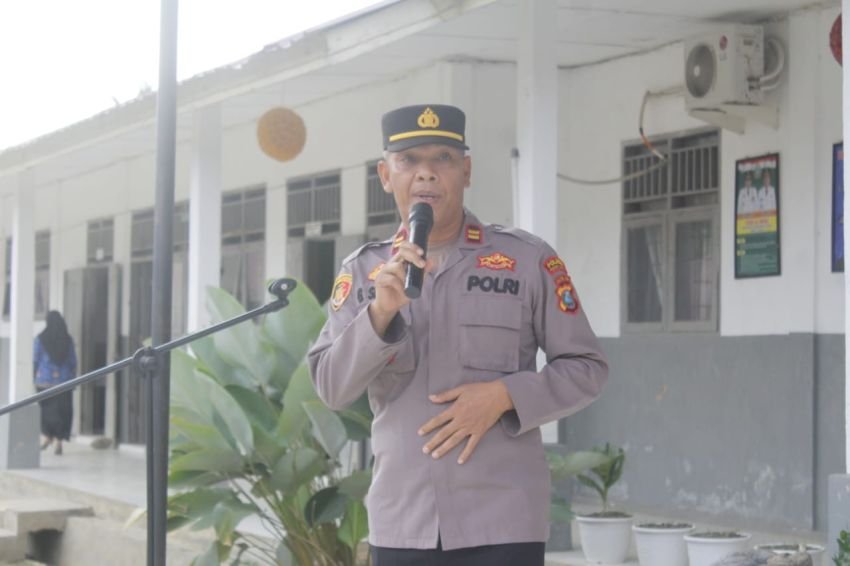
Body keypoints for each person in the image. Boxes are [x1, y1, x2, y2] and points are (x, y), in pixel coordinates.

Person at [307, 104, 608, 566]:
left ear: (466, 171)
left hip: (502, 518)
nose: (426, 175)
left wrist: (505, 395)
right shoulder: (364, 272)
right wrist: (379, 313)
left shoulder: (527, 261)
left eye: (443, 159)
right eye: (409, 161)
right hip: (404, 521)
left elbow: (586, 369)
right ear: (385, 175)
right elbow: (331, 386)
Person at [33, 310, 77, 455]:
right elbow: (72, 361)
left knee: (46, 411)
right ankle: (59, 440)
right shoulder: (67, 339)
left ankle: (47, 437)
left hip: (44, 381)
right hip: (64, 382)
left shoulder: (40, 338)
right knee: (63, 412)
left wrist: (35, 376)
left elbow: (36, 359)